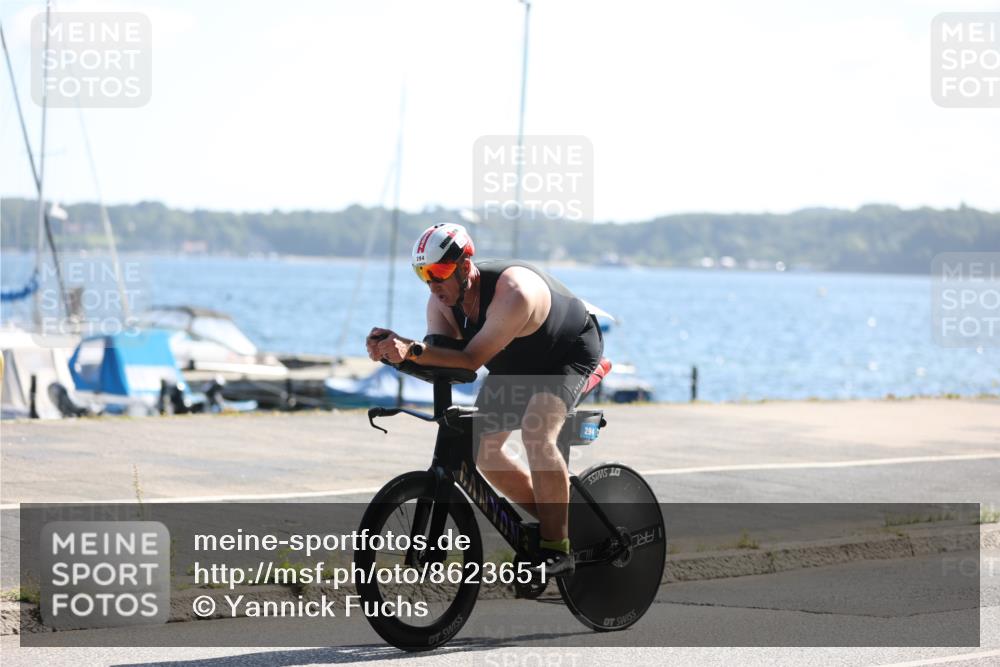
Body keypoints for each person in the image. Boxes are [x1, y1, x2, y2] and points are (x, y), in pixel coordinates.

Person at [366, 223, 604, 577]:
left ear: (465, 267)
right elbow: (445, 366)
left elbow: (468, 361)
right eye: (423, 274)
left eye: (439, 272)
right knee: (484, 453)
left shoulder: (513, 293)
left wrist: (412, 350)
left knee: (537, 435)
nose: (432, 284)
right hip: (514, 360)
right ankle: (563, 518)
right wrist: (395, 356)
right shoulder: (441, 302)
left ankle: (557, 546)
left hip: (565, 353)